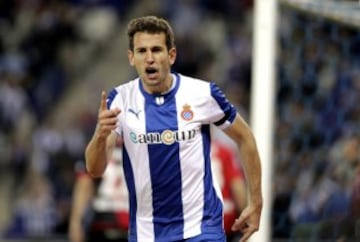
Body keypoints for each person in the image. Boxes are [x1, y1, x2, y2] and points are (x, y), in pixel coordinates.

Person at [85, 15, 262, 242]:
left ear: (171, 55)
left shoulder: (202, 94)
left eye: (156, 50)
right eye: (141, 51)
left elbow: (245, 138)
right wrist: (100, 136)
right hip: (147, 234)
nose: (149, 58)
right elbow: (95, 169)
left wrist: (256, 201)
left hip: (202, 229)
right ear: (131, 58)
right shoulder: (119, 100)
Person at [69, 137, 129, 242]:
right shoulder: (100, 142)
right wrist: (76, 223)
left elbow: (84, 184)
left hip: (118, 219)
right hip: (108, 220)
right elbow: (85, 183)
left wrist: (75, 223)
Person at [210, 135, 248, 242]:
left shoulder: (186, 153)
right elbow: (237, 186)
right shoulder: (224, 151)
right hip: (224, 216)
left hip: (196, 217)